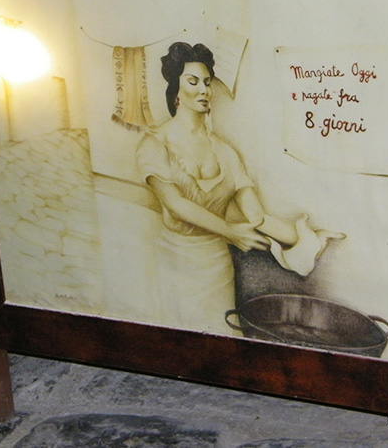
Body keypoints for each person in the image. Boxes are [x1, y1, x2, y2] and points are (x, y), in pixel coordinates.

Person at [136, 42, 341, 334]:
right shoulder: (155, 143)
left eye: (207, 82)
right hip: (175, 261)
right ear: (176, 89)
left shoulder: (226, 153)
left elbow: (257, 217)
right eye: (193, 81)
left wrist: (307, 240)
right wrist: (230, 231)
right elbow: (176, 204)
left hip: (216, 266)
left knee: (221, 334)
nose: (204, 90)